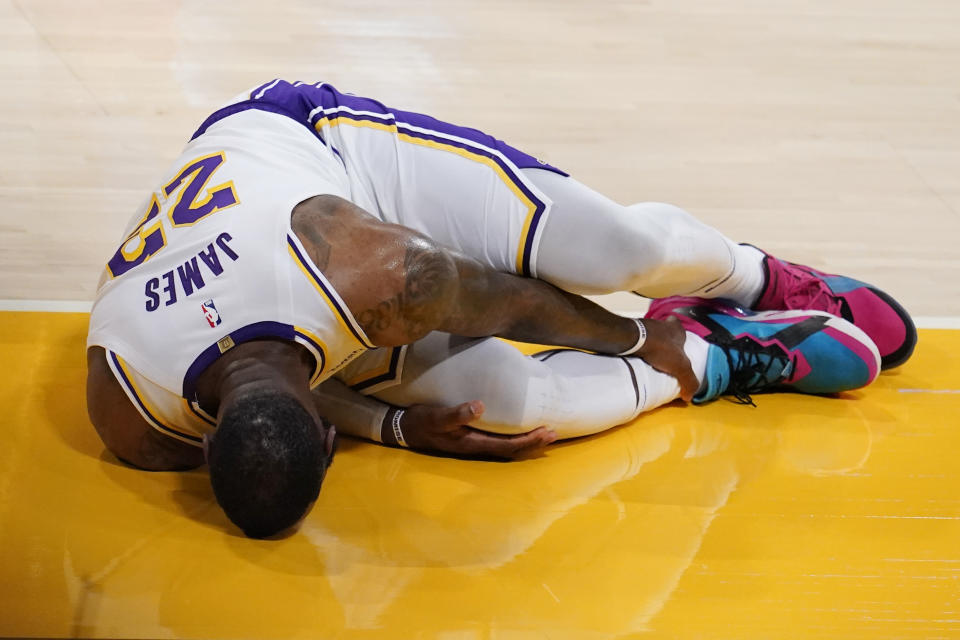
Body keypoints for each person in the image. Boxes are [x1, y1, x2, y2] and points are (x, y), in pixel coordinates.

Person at [86, 79, 914, 538]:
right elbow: (278, 385)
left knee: (610, 252)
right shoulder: (129, 417)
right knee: (510, 409)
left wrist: (636, 335)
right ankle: (710, 358)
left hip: (334, 156)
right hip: (297, 281)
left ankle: (748, 277)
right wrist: (402, 429)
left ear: (331, 441)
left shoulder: (376, 275)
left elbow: (514, 304)